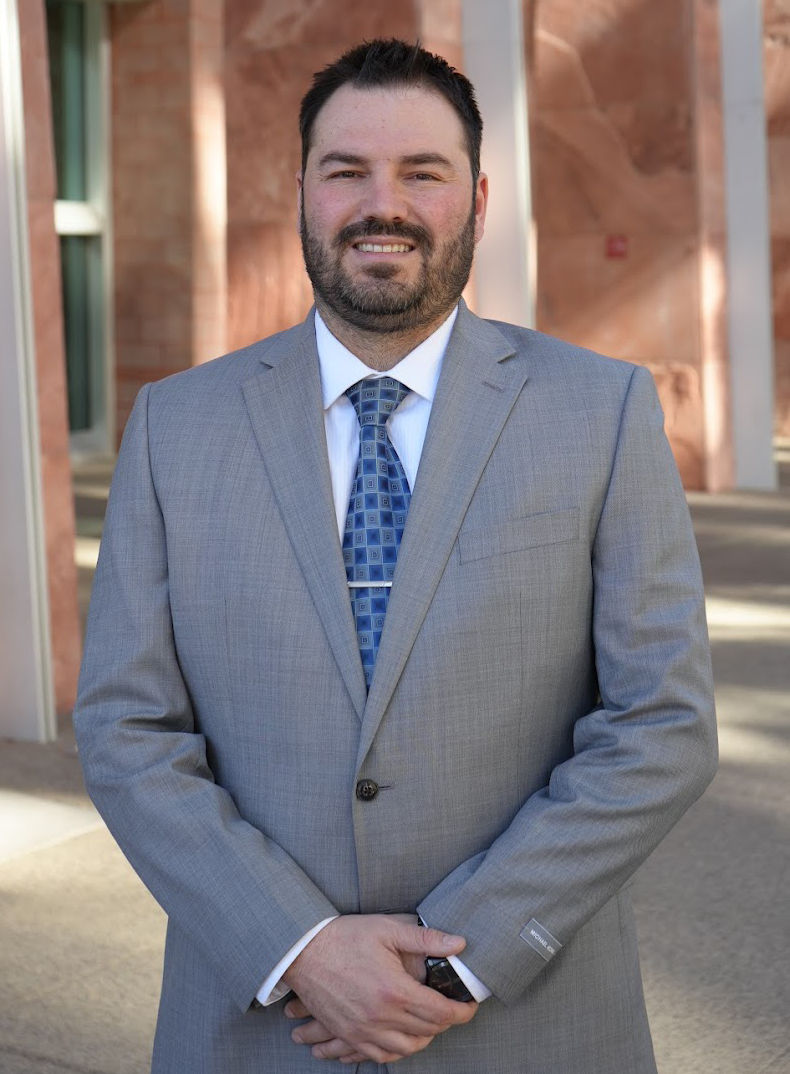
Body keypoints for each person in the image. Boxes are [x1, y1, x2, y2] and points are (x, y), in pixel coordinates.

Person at [73, 38, 717, 1074]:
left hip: (524, 1020)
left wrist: (454, 962)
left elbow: (661, 724)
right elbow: (125, 727)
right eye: (346, 171)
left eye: (423, 171)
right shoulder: (173, 427)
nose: (386, 203)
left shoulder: (600, 411)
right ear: (300, 193)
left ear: (477, 195)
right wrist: (301, 946)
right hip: (262, 1024)